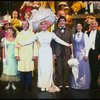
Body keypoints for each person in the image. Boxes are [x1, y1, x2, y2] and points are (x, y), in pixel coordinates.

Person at [16, 8, 72, 92]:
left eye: (45, 24)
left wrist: (67, 44)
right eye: (42, 24)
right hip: (41, 52)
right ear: (40, 26)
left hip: (48, 52)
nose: (44, 26)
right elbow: (29, 41)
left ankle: (48, 84)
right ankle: (42, 84)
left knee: (49, 68)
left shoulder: (51, 34)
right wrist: (21, 44)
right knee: (42, 68)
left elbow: (58, 40)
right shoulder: (37, 34)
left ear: (47, 25)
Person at [51, 16, 72, 88]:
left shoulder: (69, 30)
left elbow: (71, 42)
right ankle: (60, 82)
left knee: (66, 67)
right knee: (59, 68)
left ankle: (66, 82)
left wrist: (72, 53)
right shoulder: (54, 31)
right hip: (58, 51)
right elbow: (52, 43)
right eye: (60, 21)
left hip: (66, 52)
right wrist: (53, 53)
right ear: (59, 22)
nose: (62, 22)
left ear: (65, 22)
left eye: (63, 20)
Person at [15, 21, 35, 90]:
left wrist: (35, 54)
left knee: (29, 70)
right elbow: (16, 45)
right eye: (23, 24)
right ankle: (22, 85)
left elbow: (35, 45)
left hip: (29, 54)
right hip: (21, 54)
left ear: (28, 25)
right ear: (22, 25)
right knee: (22, 70)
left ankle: (29, 85)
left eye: (26, 24)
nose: (25, 25)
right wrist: (16, 55)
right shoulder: (19, 34)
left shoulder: (32, 34)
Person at [70, 23, 91, 90]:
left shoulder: (85, 35)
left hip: (82, 55)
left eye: (80, 26)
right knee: (75, 69)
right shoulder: (74, 35)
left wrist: (86, 55)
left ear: (82, 27)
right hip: (76, 56)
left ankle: (83, 84)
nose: (78, 27)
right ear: (76, 27)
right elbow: (72, 46)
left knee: (83, 69)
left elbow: (87, 46)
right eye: (77, 26)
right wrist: (72, 55)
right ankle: (76, 83)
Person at [87, 20, 100, 89]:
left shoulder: (99, 33)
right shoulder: (87, 33)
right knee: (90, 68)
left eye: (95, 24)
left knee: (96, 68)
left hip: (97, 53)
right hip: (89, 53)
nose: (94, 25)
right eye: (92, 24)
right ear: (90, 26)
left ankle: (95, 83)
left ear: (97, 25)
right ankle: (91, 82)